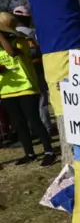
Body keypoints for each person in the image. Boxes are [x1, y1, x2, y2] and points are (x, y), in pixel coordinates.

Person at [0, 12, 56, 167]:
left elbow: (12, 53)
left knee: (34, 120)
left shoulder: (21, 41)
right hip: (6, 89)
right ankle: (29, 153)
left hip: (27, 88)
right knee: (19, 123)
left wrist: (1, 38)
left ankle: (49, 151)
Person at [12, 5, 56, 136]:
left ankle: (30, 128)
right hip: (37, 70)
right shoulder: (33, 33)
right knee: (42, 101)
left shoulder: (8, 34)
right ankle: (46, 127)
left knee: (26, 103)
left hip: (18, 74)